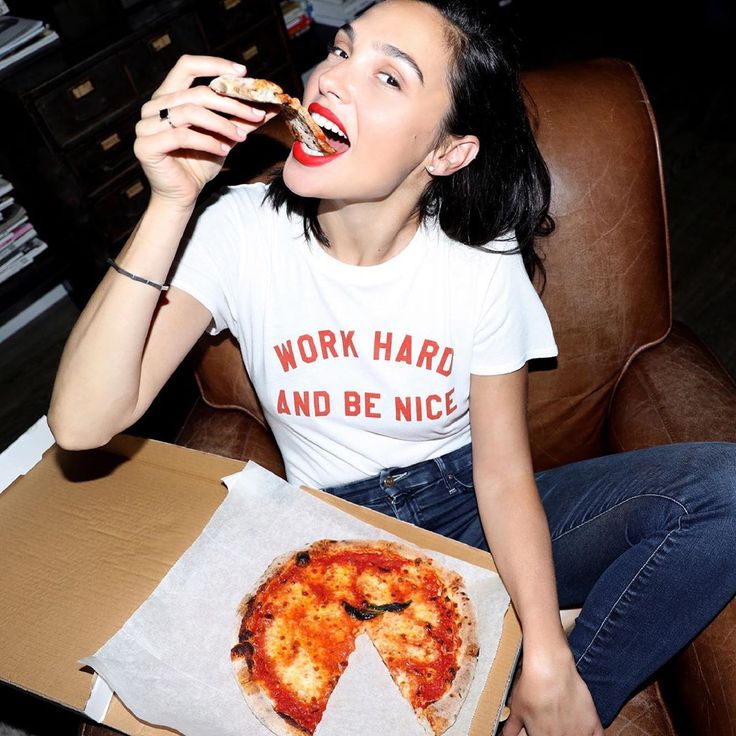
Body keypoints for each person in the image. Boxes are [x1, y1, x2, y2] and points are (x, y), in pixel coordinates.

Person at [48, 0, 736, 734]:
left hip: (463, 506)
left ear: (446, 153)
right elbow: (84, 423)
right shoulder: (236, 232)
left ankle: (541, 702)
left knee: (725, 493)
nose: (333, 80)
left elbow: (502, 474)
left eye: (389, 78)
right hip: (330, 534)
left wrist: (547, 654)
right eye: (342, 51)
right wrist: (169, 203)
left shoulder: (481, 261)